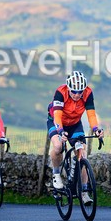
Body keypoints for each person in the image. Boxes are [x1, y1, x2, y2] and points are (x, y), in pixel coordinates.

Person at [47, 71, 103, 205]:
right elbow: (58, 117)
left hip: (74, 124)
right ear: (68, 88)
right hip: (56, 122)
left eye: (80, 92)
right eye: (74, 91)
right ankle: (56, 175)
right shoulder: (61, 92)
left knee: (82, 153)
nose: (77, 95)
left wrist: (96, 129)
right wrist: (60, 131)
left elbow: (91, 115)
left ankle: (84, 191)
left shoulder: (88, 93)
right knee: (58, 146)